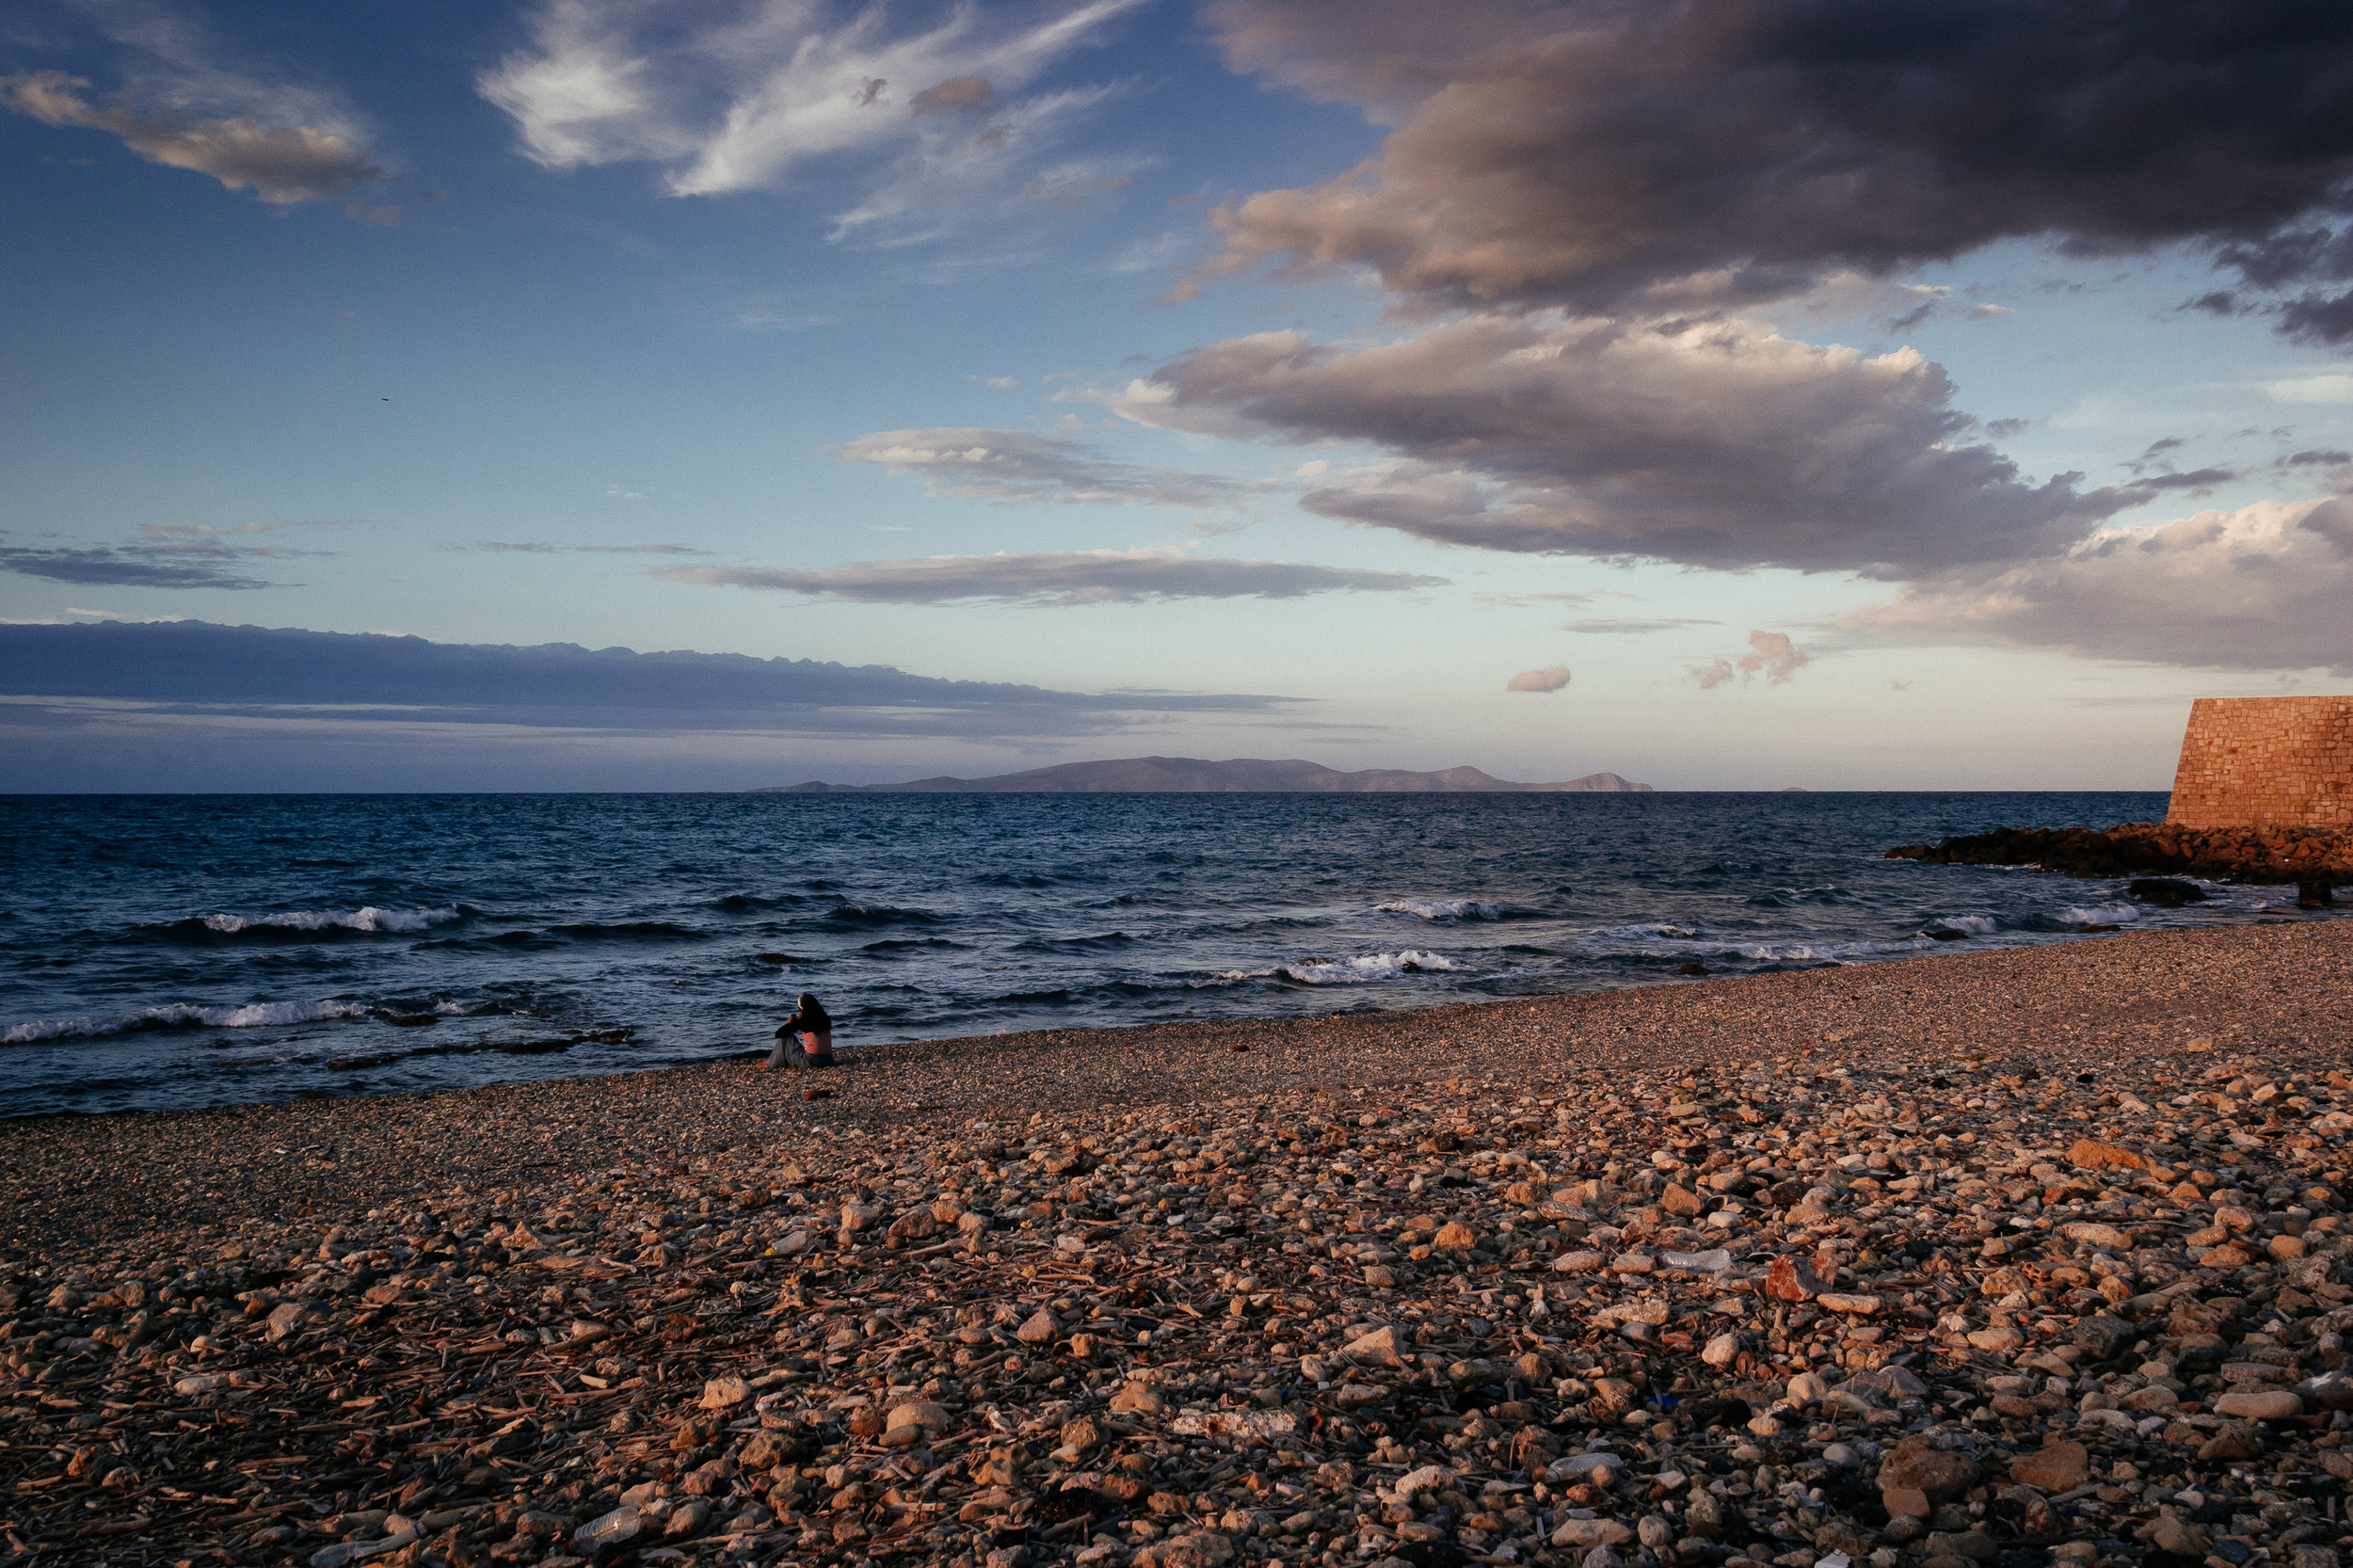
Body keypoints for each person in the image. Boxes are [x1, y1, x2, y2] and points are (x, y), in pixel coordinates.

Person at [767, 992, 835, 1069]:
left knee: (785, 1038)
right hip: (829, 1060)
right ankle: (776, 1062)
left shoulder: (804, 1021)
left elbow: (779, 1034)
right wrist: (798, 1022)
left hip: (813, 1061)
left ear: (802, 1008)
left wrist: (790, 1023)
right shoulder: (825, 1019)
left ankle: (771, 1064)